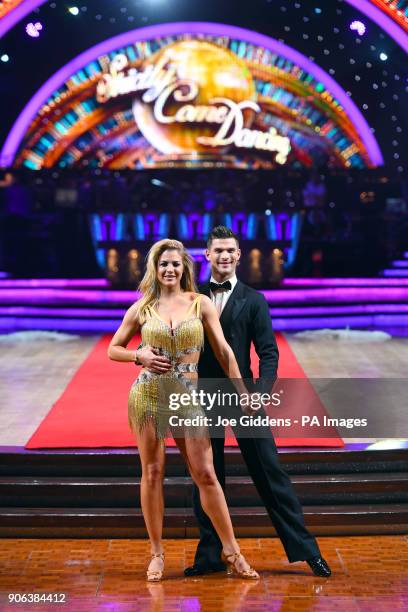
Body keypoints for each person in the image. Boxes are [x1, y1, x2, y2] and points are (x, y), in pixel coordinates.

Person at [181, 225, 330, 578]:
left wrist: (260, 393)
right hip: (202, 396)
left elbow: (269, 353)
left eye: (230, 250)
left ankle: (307, 551)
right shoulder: (191, 297)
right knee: (206, 474)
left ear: (238, 254)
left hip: (244, 396)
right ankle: (209, 557)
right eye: (217, 250)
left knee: (270, 472)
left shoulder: (255, 299)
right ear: (207, 255)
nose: (224, 256)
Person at [108, 238, 259, 582]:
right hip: (148, 394)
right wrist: (139, 355)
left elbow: (224, 352)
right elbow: (114, 348)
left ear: (185, 268)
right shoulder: (142, 308)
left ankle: (232, 552)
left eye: (175, 264)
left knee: (206, 473)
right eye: (163, 264)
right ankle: (157, 554)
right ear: (155, 269)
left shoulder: (200, 303)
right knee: (152, 473)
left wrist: (244, 393)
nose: (170, 269)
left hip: (187, 396)